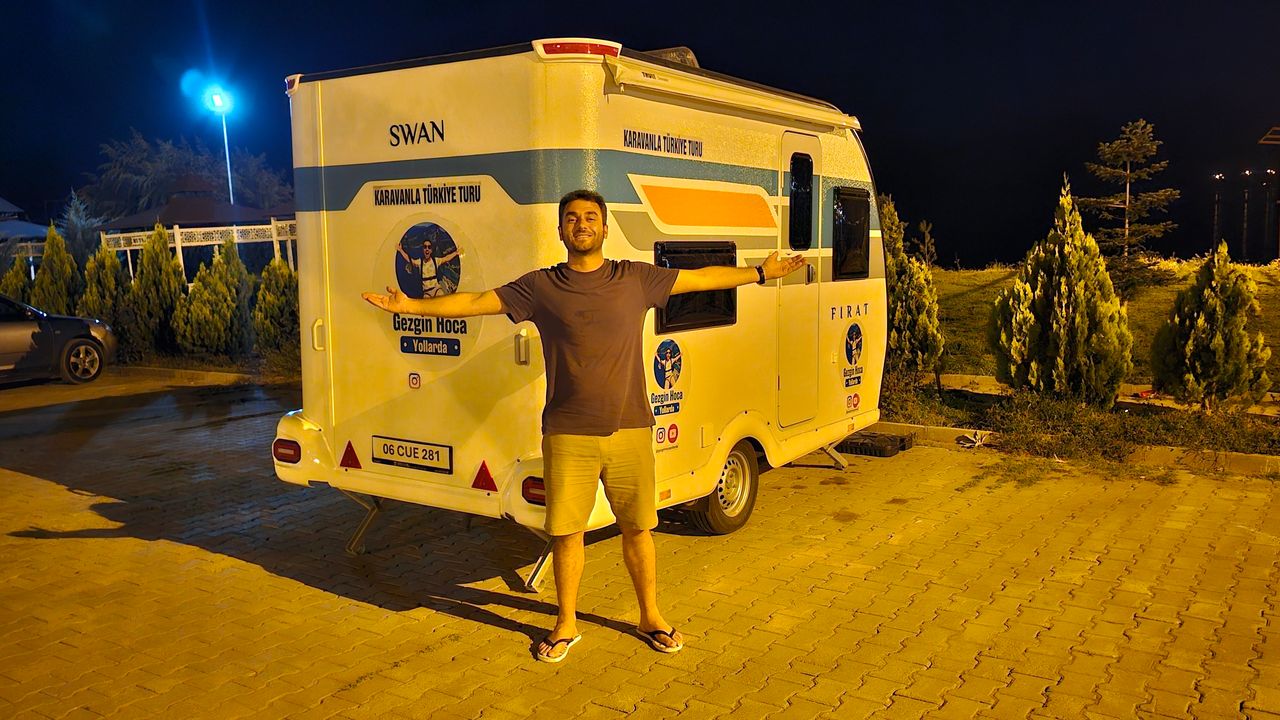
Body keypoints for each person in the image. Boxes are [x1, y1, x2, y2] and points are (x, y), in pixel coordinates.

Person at [362, 189, 806, 662]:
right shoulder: (541, 287)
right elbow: (476, 301)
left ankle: (650, 615)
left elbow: (699, 279)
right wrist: (411, 307)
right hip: (567, 432)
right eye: (571, 218)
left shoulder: (635, 278)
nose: (581, 224)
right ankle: (566, 623)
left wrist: (761, 273)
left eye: (590, 216)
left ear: (605, 228)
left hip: (630, 427)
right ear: (560, 230)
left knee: (638, 529)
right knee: (567, 534)